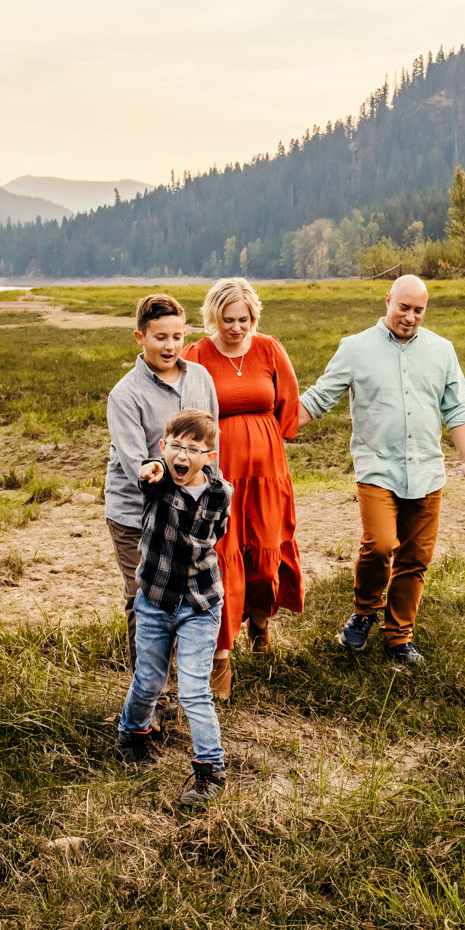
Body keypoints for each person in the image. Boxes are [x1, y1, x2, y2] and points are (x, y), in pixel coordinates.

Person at [299, 274, 465, 666]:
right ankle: (364, 612)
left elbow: (457, 409)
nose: (410, 317)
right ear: (387, 300)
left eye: (418, 310)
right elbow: (318, 398)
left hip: (428, 471)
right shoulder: (355, 348)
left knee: (415, 559)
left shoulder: (442, 351)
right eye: (404, 307)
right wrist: (270, 427)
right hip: (377, 468)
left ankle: (399, 637)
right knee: (380, 546)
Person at [181, 277, 303, 700]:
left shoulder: (268, 348)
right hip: (220, 473)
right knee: (222, 556)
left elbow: (288, 400)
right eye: (228, 320)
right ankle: (222, 655)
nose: (237, 328)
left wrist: (271, 438)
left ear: (254, 317)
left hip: (268, 472)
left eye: (244, 319)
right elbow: (183, 409)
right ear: (214, 317)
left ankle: (261, 625)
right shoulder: (196, 354)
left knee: (266, 556)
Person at [104, 293, 218, 721]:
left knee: (182, 595)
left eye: (176, 336)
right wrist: (159, 470)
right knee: (143, 598)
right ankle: (152, 695)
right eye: (159, 337)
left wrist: (209, 498)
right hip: (136, 516)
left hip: (189, 513)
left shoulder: (201, 379)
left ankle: (182, 684)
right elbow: (140, 464)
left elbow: (211, 447)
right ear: (140, 337)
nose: (169, 346)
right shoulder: (126, 394)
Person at [115, 409, 231, 807]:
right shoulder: (159, 482)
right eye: (176, 447)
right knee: (148, 681)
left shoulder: (221, 493)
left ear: (210, 456)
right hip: (155, 601)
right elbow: (148, 474)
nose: (183, 455)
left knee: (195, 691)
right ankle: (132, 734)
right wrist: (150, 468)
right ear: (164, 448)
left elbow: (219, 530)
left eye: (194, 449)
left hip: (200, 602)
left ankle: (210, 770)